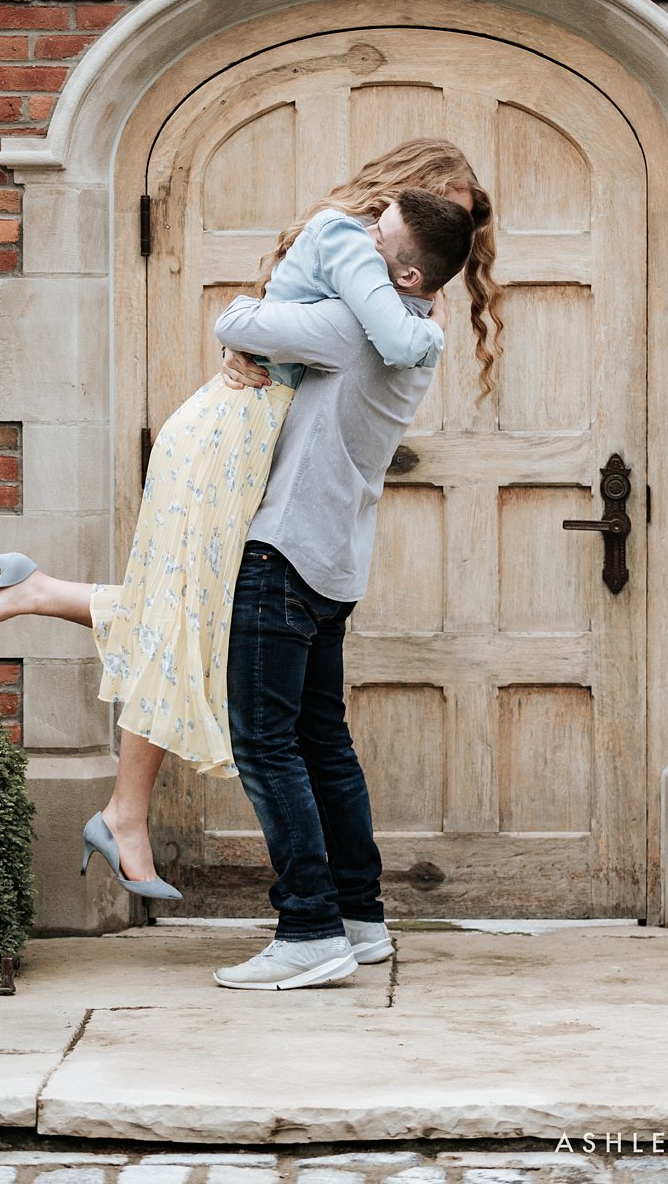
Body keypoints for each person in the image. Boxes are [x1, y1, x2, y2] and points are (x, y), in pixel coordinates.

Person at [0, 138, 502, 899]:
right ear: (400, 197)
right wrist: (415, 320)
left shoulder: (361, 284)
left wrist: (258, 332)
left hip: (243, 434)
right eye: (442, 211)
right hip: (225, 438)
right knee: (189, 618)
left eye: (462, 223)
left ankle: (39, 601)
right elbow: (262, 320)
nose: (454, 230)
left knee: (188, 614)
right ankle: (126, 810)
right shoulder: (355, 258)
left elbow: (269, 323)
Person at [205, 187, 475, 988]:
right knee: (324, 743)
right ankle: (361, 918)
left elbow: (238, 322)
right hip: (331, 563)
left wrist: (252, 320)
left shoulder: (353, 325)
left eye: (375, 240)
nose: (358, 240)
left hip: (281, 552)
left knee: (265, 744)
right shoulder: (415, 335)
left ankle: (309, 929)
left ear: (405, 274)